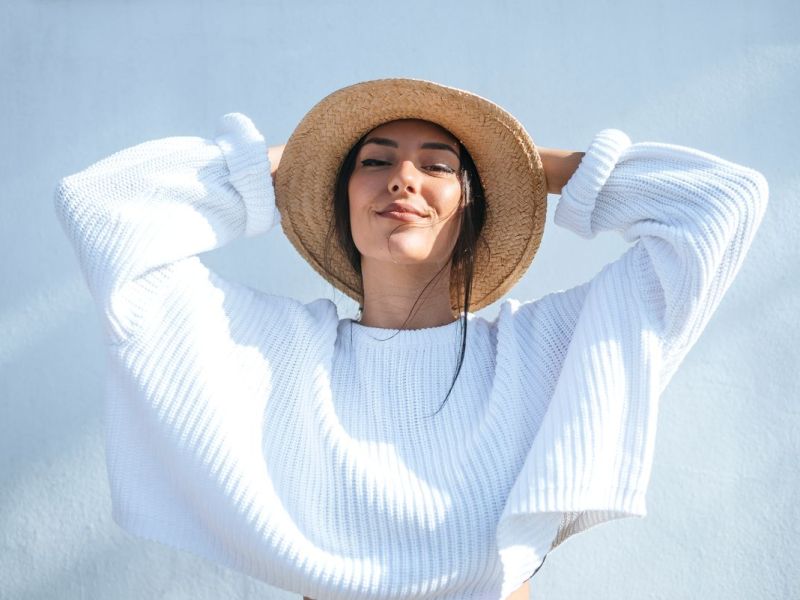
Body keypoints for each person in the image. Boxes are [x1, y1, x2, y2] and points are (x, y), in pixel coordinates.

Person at [53, 78, 769, 600]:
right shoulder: (269, 354)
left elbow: (721, 205)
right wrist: (286, 163)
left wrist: (528, 167)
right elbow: (103, 207)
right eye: (373, 161)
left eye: (437, 165)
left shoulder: (542, 350)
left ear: (471, 204)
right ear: (343, 200)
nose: (401, 179)